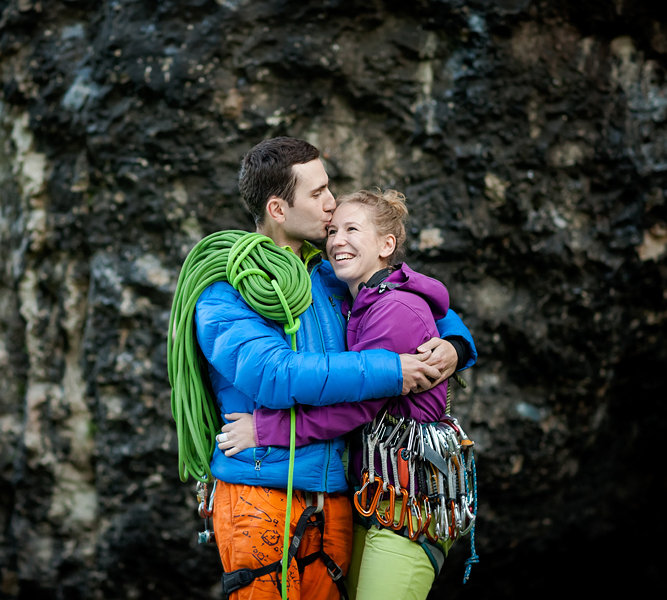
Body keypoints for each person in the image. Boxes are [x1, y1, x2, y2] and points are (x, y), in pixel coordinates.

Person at [193, 137, 477, 600]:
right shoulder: (225, 291)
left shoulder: (331, 277)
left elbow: (408, 299)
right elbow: (275, 374)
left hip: (337, 498)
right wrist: (392, 371)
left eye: (329, 188)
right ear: (278, 209)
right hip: (259, 492)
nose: (331, 203)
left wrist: (457, 345)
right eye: (317, 193)